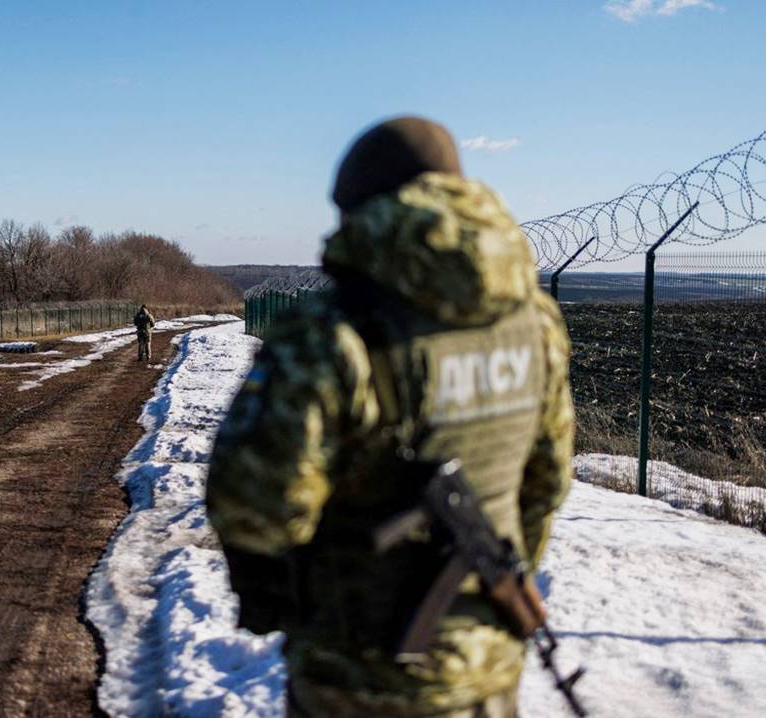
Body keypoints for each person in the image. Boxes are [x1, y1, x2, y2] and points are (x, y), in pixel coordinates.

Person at [205, 117, 575, 717]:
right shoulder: (534, 320)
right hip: (487, 665)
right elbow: (547, 478)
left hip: (358, 676)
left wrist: (280, 594)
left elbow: (255, 503)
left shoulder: (333, 329)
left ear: (361, 211)